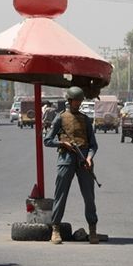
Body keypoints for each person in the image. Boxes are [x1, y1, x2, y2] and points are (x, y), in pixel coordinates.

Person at [43, 86, 100, 245]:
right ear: (69, 101)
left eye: (80, 101)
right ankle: (55, 229)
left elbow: (93, 145)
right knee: (60, 195)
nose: (78, 103)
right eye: (76, 100)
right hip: (66, 159)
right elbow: (47, 140)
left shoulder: (85, 119)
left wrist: (89, 158)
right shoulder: (60, 118)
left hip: (83, 161)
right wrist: (62, 143)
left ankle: (93, 228)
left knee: (89, 197)